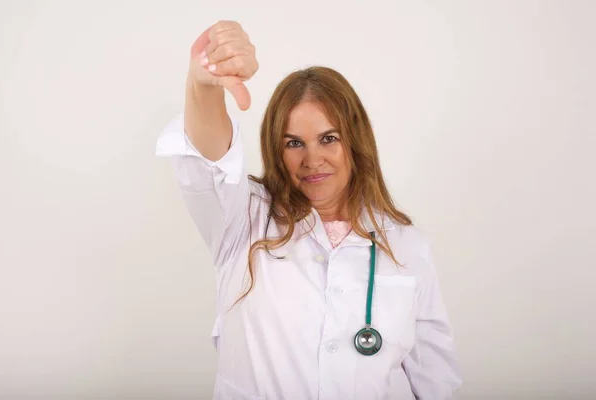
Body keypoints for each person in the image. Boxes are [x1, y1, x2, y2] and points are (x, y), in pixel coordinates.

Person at [156, 20, 462, 400]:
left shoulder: (407, 245)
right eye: (294, 143)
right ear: (275, 148)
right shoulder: (244, 219)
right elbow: (209, 159)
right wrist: (204, 82)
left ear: (355, 142)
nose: (312, 159)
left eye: (328, 139)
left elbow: (434, 379)